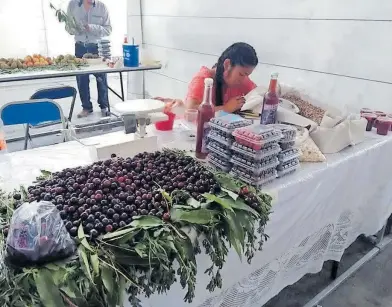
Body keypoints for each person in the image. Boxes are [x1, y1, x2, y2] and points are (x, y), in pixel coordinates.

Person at [66, 0, 112, 118]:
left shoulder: (102, 7)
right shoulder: (73, 5)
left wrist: (91, 27)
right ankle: (86, 107)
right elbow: (68, 27)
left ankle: (104, 106)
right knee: (82, 79)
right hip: (80, 46)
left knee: (101, 78)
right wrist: (76, 28)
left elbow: (108, 29)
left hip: (97, 47)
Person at [186, 42, 258, 113]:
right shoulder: (203, 80)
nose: (243, 80)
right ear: (227, 65)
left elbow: (258, 95)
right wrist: (225, 108)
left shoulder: (243, 80)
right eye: (241, 74)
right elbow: (190, 110)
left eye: (247, 75)